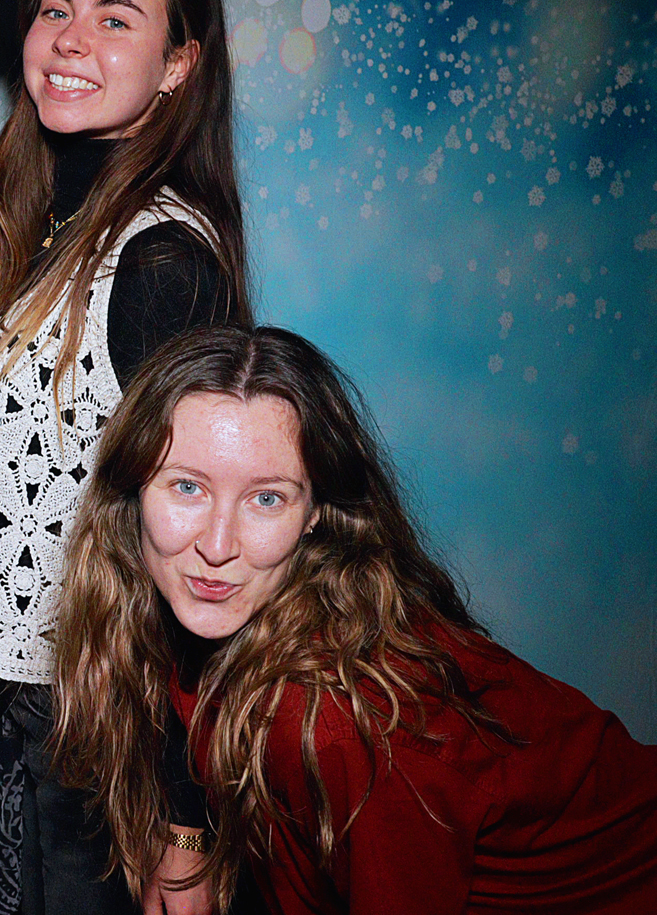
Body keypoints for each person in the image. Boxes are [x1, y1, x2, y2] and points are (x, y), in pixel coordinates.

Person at [55, 324, 657, 914]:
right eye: (187, 487)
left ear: (316, 512)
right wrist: (184, 833)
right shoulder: (205, 612)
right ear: (134, 489)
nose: (216, 546)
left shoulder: (342, 725)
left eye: (267, 498)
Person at [0, 0, 250, 915]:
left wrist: (182, 823)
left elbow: (202, 557)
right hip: (38, 713)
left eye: (115, 20)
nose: (69, 40)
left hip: (119, 742)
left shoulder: (159, 261)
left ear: (177, 65)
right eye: (53, 11)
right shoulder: (56, 203)